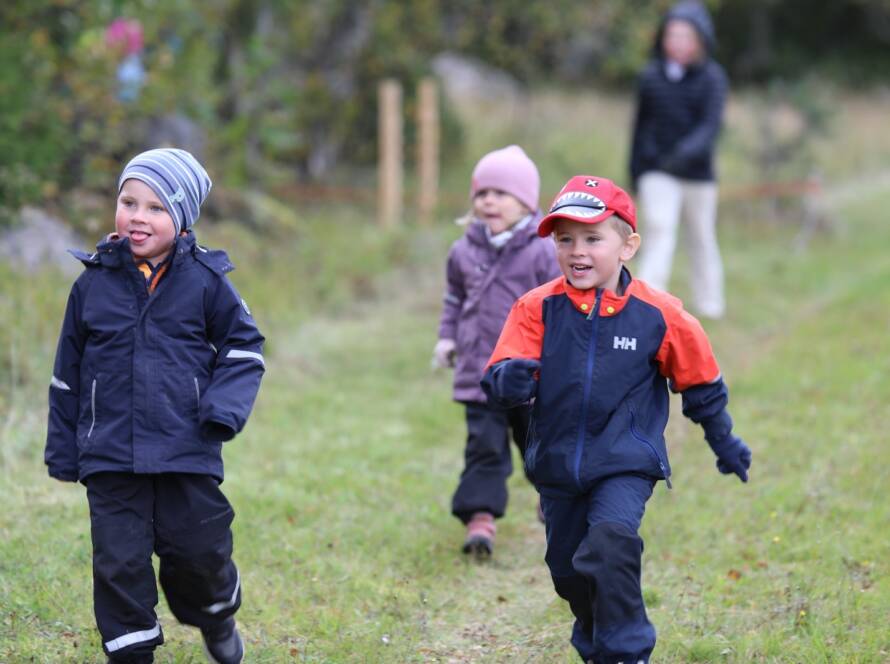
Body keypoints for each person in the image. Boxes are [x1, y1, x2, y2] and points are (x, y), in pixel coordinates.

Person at [481, 175, 751, 663]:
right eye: (565, 239)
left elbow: (701, 383)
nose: (577, 251)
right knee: (568, 572)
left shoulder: (660, 315)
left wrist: (724, 440)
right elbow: (498, 375)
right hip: (558, 465)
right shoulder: (537, 308)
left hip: (625, 461)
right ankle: (594, 636)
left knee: (609, 546)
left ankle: (627, 652)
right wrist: (510, 382)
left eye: (592, 238)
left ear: (628, 245)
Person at [45, 148, 265, 664]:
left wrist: (222, 410)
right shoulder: (91, 285)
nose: (138, 216)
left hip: (185, 447)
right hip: (110, 454)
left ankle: (215, 613)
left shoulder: (207, 283)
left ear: (183, 220)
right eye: (129, 202)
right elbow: (66, 375)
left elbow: (244, 348)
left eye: (156, 208)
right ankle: (131, 654)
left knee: (198, 552)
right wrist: (64, 450)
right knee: (118, 566)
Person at [432, 145, 560, 556]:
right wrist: (447, 337)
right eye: (482, 193)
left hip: (529, 375)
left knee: (539, 443)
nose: (489, 201)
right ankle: (480, 519)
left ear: (525, 202)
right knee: (483, 447)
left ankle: (555, 498)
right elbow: (455, 298)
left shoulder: (543, 251)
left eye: (501, 193)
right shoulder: (463, 250)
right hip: (480, 375)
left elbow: (559, 305)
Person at [629, 0, 729, 319]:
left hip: (697, 174)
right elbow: (640, 126)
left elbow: (710, 126)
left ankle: (710, 302)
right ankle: (647, 301)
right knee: (659, 228)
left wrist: (683, 154)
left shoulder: (713, 78)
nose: (678, 43)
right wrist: (637, 169)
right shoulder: (650, 77)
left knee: (701, 235)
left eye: (686, 36)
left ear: (701, 39)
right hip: (657, 170)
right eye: (673, 35)